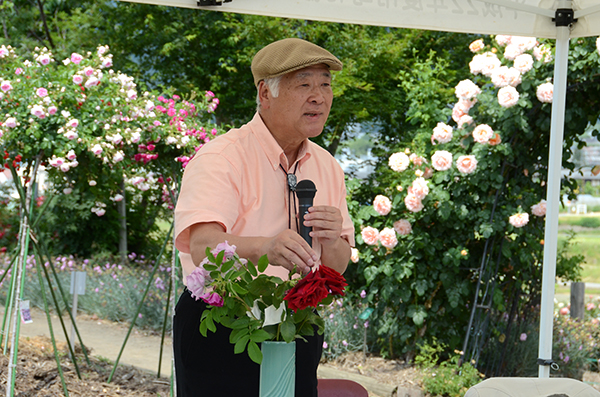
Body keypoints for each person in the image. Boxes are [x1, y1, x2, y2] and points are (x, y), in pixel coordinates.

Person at [173, 37, 355, 397]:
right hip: (226, 321)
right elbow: (202, 246)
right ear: (265, 93)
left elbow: (339, 265)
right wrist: (265, 248)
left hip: (297, 322)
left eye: (325, 84)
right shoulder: (222, 156)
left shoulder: (328, 167)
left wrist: (333, 239)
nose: (319, 96)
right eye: (304, 84)